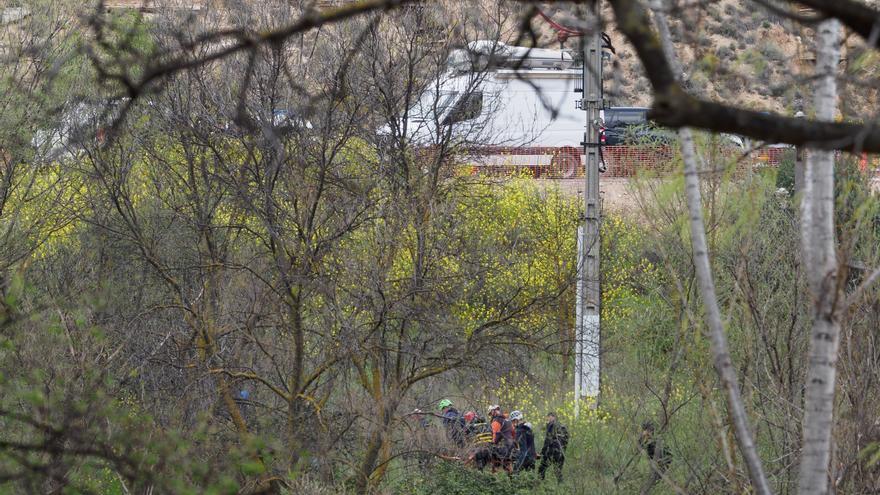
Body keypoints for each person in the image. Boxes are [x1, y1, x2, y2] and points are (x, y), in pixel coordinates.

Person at [639, 421, 672, 493]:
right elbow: (639, 445)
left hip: (662, 463)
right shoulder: (646, 439)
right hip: (655, 463)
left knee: (656, 480)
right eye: (645, 430)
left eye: (649, 430)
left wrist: (659, 462)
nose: (647, 432)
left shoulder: (657, 440)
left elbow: (668, 455)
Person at [539, 411, 569, 482]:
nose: (548, 419)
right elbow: (566, 441)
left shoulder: (551, 425)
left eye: (548, 417)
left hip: (552, 452)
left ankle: (539, 486)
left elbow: (547, 440)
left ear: (552, 417)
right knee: (557, 471)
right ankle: (561, 487)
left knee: (542, 468)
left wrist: (542, 453)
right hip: (561, 453)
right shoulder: (563, 426)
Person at [488, 404, 515, 471]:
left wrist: (492, 443)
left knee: (493, 457)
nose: (491, 415)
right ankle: (512, 478)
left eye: (491, 413)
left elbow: (495, 434)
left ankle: (494, 477)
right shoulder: (507, 420)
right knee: (507, 464)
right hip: (510, 446)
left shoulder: (496, 421)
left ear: (493, 411)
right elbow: (513, 432)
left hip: (503, 446)